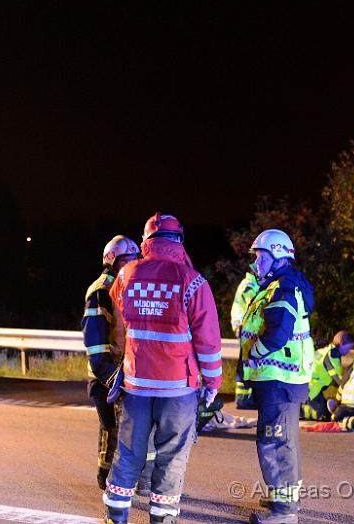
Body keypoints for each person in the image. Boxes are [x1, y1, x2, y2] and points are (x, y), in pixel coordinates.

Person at [103, 213, 222, 524]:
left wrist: (128, 363)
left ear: (145, 242)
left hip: (137, 384)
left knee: (128, 452)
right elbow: (208, 342)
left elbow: (120, 330)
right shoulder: (194, 281)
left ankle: (115, 517)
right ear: (179, 241)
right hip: (178, 388)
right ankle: (162, 519)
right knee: (171, 457)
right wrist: (212, 383)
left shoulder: (126, 275)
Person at [239, 229, 314, 524]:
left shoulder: (282, 288)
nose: (256, 263)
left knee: (274, 441)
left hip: (278, 378)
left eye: (261, 257)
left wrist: (254, 353)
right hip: (280, 379)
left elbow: (277, 334)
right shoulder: (279, 284)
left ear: (278, 255)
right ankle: (284, 498)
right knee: (283, 439)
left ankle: (284, 513)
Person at [82, 235, 149, 491]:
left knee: (135, 428)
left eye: (134, 259)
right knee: (112, 429)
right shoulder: (101, 291)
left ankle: (137, 480)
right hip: (106, 375)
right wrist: (112, 379)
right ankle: (106, 479)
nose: (131, 264)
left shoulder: (133, 286)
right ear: (111, 261)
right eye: (125, 260)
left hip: (130, 372)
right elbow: (97, 345)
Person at [301, 331, 354, 421]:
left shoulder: (326, 350)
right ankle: (299, 411)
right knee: (323, 416)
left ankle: (299, 409)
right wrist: (349, 388)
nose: (349, 351)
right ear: (342, 344)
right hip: (312, 388)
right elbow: (337, 378)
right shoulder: (332, 354)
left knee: (322, 411)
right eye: (348, 347)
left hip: (309, 386)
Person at [230, 264, 259, 409]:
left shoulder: (249, 284)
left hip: (244, 327)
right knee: (246, 363)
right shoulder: (250, 286)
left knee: (247, 362)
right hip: (244, 328)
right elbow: (254, 308)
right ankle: (242, 399)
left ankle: (245, 398)